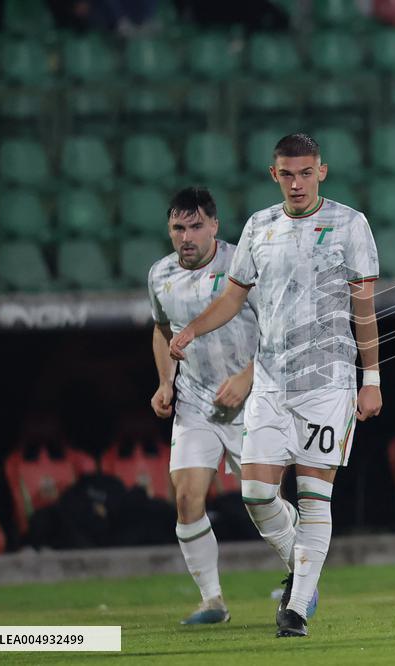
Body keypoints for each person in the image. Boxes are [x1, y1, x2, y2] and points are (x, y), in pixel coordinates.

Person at [169, 133, 381, 639]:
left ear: (321, 172)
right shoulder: (259, 226)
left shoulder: (351, 224)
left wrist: (371, 378)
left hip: (326, 382)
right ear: (274, 175)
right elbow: (235, 296)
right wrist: (194, 328)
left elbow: (365, 308)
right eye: (287, 173)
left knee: (313, 496)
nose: (297, 182)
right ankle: (303, 568)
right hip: (270, 381)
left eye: (306, 173)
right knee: (257, 494)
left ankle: (298, 606)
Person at [147, 186, 257, 625]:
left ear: (214, 225)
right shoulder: (159, 274)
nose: (187, 236)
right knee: (188, 498)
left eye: (196, 226)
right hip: (195, 401)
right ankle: (212, 601)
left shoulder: (242, 265)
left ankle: (299, 582)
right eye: (178, 227)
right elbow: (161, 329)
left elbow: (275, 327)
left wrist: (248, 378)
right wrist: (164, 383)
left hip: (250, 400)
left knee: (262, 499)